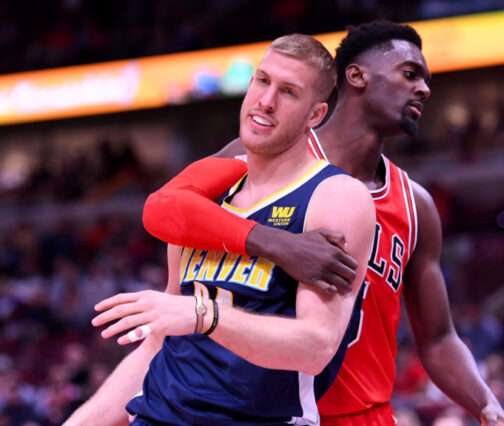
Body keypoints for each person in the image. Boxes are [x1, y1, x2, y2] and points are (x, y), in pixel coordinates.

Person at [142, 21, 504, 425]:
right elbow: (166, 208)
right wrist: (277, 243)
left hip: (368, 414)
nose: (423, 89)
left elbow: (439, 339)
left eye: (425, 80)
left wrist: (485, 402)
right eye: (410, 74)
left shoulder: (415, 205)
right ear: (356, 76)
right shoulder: (270, 153)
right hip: (271, 410)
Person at [64, 34, 376, 425]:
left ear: (315, 115)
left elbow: (315, 348)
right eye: (262, 81)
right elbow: (159, 342)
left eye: (289, 92)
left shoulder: (335, 196)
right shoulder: (206, 196)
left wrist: (203, 314)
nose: (266, 101)